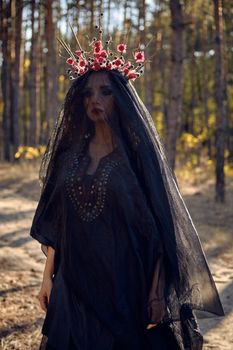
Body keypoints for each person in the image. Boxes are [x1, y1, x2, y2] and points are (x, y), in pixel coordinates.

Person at [30, 24, 224, 350]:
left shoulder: (137, 160)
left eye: (105, 91)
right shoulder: (69, 157)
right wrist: (48, 277)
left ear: (120, 98)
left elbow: (159, 229)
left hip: (124, 285)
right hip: (72, 282)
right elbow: (58, 222)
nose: (95, 99)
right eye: (88, 92)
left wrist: (157, 291)